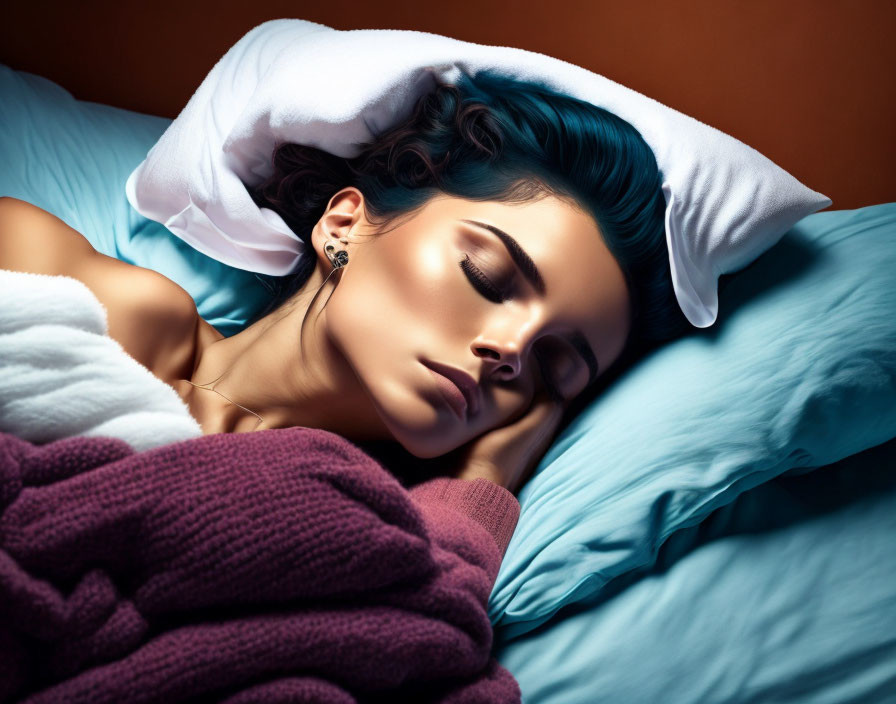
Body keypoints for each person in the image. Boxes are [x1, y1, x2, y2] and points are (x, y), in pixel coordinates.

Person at [0, 69, 689, 494]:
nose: (513, 349)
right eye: (487, 274)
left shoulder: (379, 532)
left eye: (556, 368)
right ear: (343, 224)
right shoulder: (68, 286)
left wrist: (485, 485)